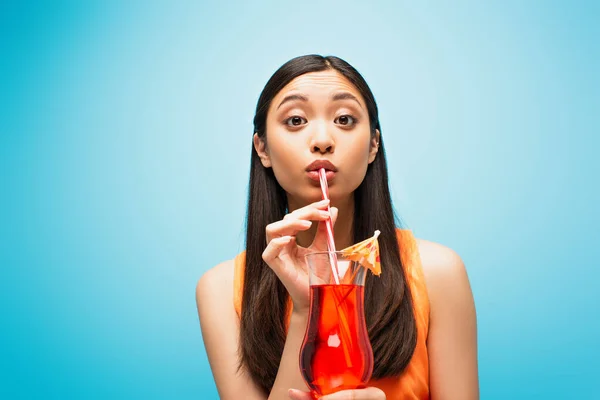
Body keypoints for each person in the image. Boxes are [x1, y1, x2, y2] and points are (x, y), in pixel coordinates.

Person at [196, 54, 479, 400]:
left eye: (344, 119)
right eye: (296, 120)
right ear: (262, 148)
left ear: (374, 145)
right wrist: (305, 307)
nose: (322, 140)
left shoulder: (438, 273)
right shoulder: (221, 291)